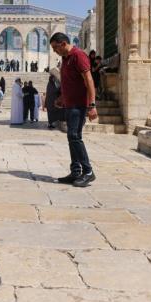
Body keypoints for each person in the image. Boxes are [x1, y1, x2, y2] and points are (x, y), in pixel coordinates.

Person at [50, 32, 97, 188]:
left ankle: (88, 172)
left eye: (55, 47)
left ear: (63, 44)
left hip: (79, 105)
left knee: (74, 136)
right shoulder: (65, 58)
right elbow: (69, 82)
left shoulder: (78, 56)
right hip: (69, 104)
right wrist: (62, 98)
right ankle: (76, 171)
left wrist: (92, 105)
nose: (54, 51)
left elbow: (89, 80)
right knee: (72, 138)